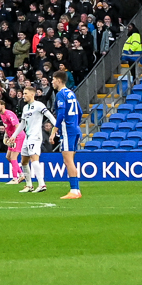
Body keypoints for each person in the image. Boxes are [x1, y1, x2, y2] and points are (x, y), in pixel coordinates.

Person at [51, 73, 83, 201]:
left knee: (68, 160)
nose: (52, 82)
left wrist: (55, 129)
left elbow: (61, 113)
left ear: (59, 80)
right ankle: (76, 189)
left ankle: (74, 190)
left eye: (53, 80)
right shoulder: (71, 93)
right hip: (74, 128)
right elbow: (79, 111)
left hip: (67, 130)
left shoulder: (61, 94)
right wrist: (76, 124)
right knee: (70, 159)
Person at [18, 87, 50, 194]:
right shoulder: (25, 108)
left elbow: (49, 115)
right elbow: (22, 123)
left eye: (25, 93)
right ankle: (29, 185)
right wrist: (14, 136)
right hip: (27, 137)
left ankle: (41, 184)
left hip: (35, 136)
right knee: (24, 161)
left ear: (32, 94)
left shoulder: (39, 105)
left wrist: (56, 127)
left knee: (34, 159)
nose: (23, 95)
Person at [0, 99, 23, 185]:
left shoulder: (9, 114)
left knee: (13, 157)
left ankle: (15, 179)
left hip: (18, 136)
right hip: (11, 136)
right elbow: (7, 126)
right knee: (8, 157)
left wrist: (14, 136)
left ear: (3, 106)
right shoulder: (1, 114)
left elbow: (17, 126)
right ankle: (21, 174)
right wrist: (6, 135)